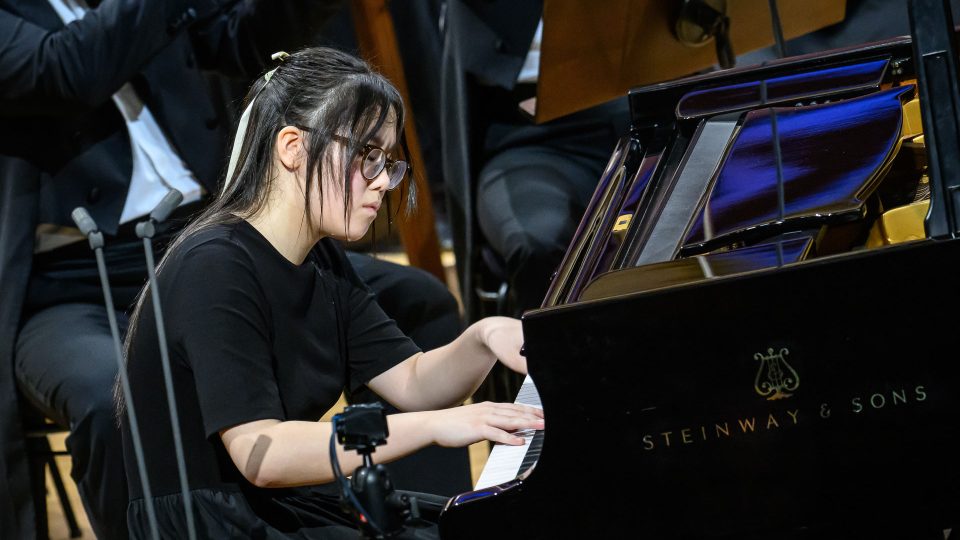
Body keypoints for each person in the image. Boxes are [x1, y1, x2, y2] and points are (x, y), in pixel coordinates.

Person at [0, 1, 464, 538]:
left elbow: (251, 44)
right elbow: (61, 69)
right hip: (75, 278)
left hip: (201, 229)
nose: (383, 181)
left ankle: (410, 511)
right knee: (110, 397)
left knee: (418, 298)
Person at [119, 46, 542, 538]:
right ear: (292, 147)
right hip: (214, 522)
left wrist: (484, 336)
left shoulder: (320, 258)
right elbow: (263, 454)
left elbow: (412, 383)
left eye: (387, 161)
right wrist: (437, 427)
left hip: (274, 505)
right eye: (367, 156)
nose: (383, 181)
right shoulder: (215, 265)